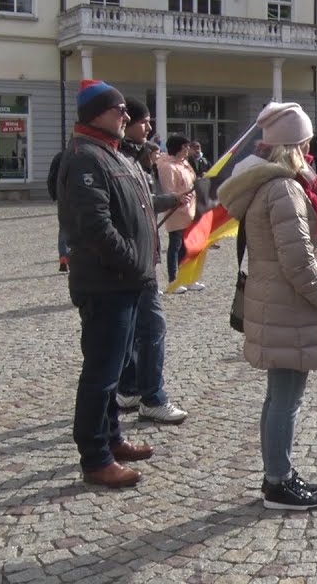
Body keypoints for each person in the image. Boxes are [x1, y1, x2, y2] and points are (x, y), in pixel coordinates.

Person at [217, 102, 317, 511]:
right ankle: (277, 482)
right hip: (290, 304)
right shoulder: (283, 187)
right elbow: (297, 260)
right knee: (286, 398)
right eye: (306, 141)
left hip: (278, 302)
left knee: (279, 396)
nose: (309, 147)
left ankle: (278, 473)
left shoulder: (269, 181)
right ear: (294, 145)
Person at [58, 79, 157, 488]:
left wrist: (173, 201)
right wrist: (134, 263)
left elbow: (133, 208)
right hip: (107, 284)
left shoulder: (112, 154)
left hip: (126, 283)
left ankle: (112, 439)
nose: (126, 116)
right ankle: (95, 456)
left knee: (113, 372)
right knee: (100, 375)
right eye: (119, 110)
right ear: (97, 112)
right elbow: (95, 226)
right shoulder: (85, 158)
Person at [115, 99, 189, 425]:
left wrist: (171, 200)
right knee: (151, 327)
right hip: (134, 258)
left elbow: (144, 202)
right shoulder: (120, 158)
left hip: (138, 254)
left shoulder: (136, 158)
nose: (148, 128)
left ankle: (130, 388)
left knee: (133, 330)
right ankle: (152, 397)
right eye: (143, 121)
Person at [157, 136, 201, 292]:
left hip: (190, 209)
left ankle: (187, 278)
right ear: (179, 148)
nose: (188, 149)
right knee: (176, 245)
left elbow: (192, 181)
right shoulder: (167, 166)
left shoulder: (185, 163)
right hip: (177, 211)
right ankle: (173, 280)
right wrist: (179, 197)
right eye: (185, 146)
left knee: (188, 246)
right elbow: (169, 190)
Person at [46, 145, 69, 273]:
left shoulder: (60, 157)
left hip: (63, 198)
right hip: (80, 197)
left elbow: (51, 177)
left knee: (64, 228)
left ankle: (64, 257)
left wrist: (54, 194)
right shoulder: (84, 156)